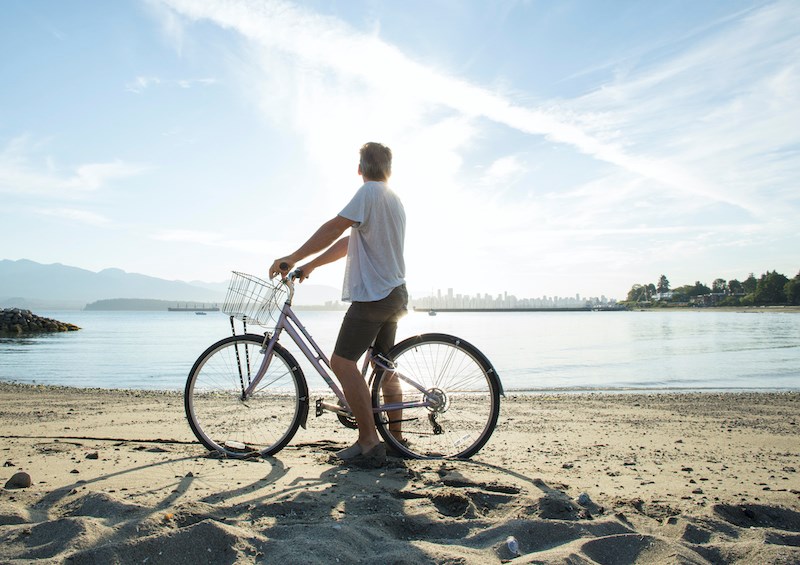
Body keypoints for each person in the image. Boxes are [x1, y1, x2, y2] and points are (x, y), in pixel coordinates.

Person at [269, 142, 406, 467]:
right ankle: (397, 439)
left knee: (342, 363)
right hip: (395, 293)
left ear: (360, 169)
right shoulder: (392, 199)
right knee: (383, 366)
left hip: (373, 296)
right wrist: (311, 265)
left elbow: (334, 228)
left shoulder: (368, 193)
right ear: (389, 168)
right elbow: (349, 242)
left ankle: (369, 441)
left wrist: (292, 256)